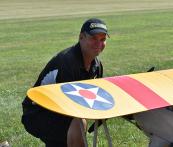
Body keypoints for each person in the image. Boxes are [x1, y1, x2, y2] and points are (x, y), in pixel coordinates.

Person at [21, 18, 109, 147]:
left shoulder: (97, 65)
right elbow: (72, 108)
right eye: (94, 38)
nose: (99, 43)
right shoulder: (66, 63)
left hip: (58, 111)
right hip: (37, 112)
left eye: (103, 39)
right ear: (81, 37)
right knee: (78, 124)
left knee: (77, 123)